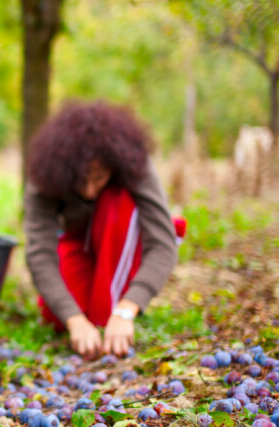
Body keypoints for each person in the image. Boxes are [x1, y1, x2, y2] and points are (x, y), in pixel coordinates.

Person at [23, 101, 186, 359]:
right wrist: (73, 318)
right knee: (56, 315)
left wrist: (126, 310)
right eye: (80, 181)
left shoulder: (134, 164)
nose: (89, 191)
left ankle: (110, 310)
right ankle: (94, 310)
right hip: (79, 242)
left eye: (98, 178)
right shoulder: (46, 172)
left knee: (115, 202)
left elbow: (162, 245)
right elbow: (39, 253)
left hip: (123, 239)